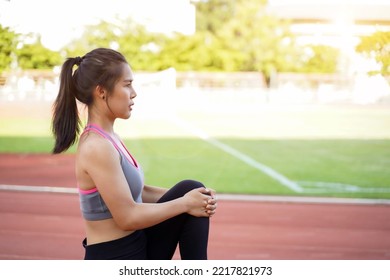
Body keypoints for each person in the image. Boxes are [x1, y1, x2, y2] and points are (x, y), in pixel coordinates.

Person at [51, 48, 217, 260]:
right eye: (127, 84)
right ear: (102, 92)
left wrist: (195, 199)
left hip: (138, 245)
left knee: (193, 189)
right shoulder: (96, 146)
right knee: (190, 195)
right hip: (116, 257)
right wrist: (185, 203)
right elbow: (127, 217)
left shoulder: (110, 137)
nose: (134, 92)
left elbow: (138, 191)